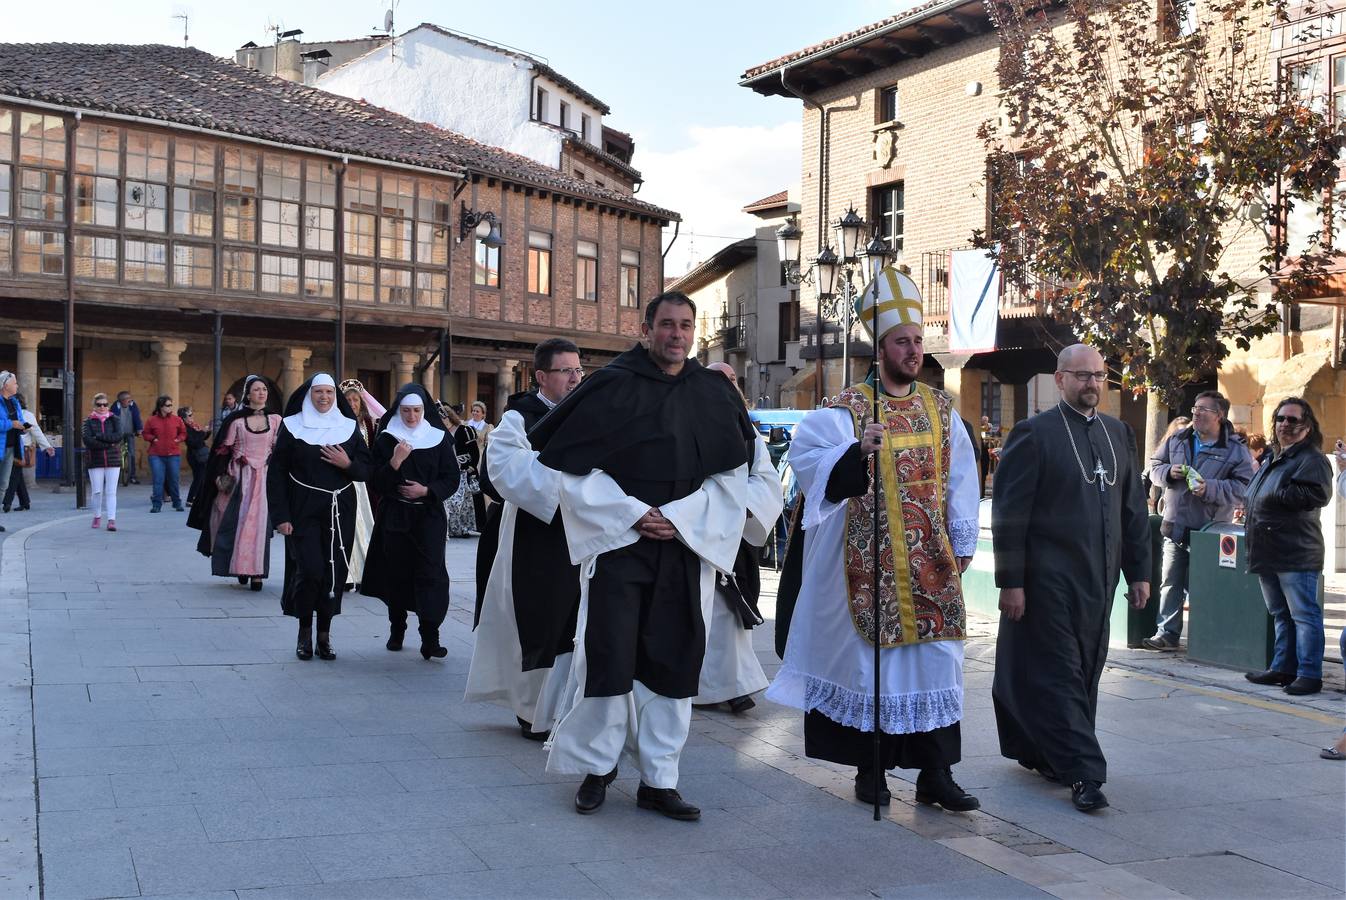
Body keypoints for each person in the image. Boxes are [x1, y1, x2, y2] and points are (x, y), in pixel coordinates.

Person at [529, 292, 754, 820]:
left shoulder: (712, 394)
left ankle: (660, 779)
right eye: (667, 325)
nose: (677, 334)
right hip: (621, 544)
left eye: (685, 326)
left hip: (682, 545)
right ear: (646, 327)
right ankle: (598, 768)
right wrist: (632, 512)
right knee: (609, 655)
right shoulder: (611, 385)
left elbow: (731, 476)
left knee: (674, 659)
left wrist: (678, 518)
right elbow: (574, 472)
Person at [769, 270, 981, 813]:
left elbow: (961, 480)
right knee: (871, 668)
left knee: (937, 664)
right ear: (880, 348)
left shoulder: (940, 409)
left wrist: (962, 546)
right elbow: (810, 465)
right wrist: (854, 454)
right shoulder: (846, 410)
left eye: (917, 342)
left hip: (930, 563)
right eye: (901, 342)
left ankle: (937, 774)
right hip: (865, 565)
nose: (913, 351)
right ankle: (872, 771)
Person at [991, 344, 1151, 813]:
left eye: (1099, 376)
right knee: (1060, 671)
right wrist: (1012, 581)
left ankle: (1049, 753)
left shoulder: (1118, 433)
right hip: (1047, 580)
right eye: (1082, 376)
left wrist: (1139, 572)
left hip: (1097, 579)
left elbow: (1133, 510)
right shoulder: (1033, 433)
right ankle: (1085, 772)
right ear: (1059, 379)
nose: (1092, 384)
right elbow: (1009, 514)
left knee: (1085, 669)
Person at [466, 337, 584, 740]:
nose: (574, 377)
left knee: (575, 621)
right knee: (537, 618)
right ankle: (534, 711)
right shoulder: (520, 418)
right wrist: (571, 485)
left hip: (583, 532)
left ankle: (568, 707)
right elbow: (504, 468)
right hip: (535, 531)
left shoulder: (589, 414)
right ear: (541, 376)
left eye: (578, 370)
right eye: (565, 370)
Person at [692, 363, 780, 715]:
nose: (726, 386)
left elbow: (765, 478)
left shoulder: (748, 431)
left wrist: (744, 507)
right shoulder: (689, 420)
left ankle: (734, 685)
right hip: (694, 531)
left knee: (731, 613)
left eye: (731, 380)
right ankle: (704, 686)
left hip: (734, 536)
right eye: (718, 380)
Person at [267, 375, 371, 661]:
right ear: (308, 395)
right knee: (309, 571)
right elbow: (276, 473)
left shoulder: (348, 428)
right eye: (318, 392)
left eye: (328, 392)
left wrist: (348, 464)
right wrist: (280, 515)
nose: (324, 397)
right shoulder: (292, 426)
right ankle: (304, 631)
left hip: (340, 509)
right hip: (303, 508)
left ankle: (324, 635)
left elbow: (367, 470)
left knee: (333, 573)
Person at [1142, 392, 1254, 651]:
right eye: (1195, 407)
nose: (1196, 413)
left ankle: (1207, 636)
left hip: (1210, 531)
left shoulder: (1235, 450)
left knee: (1204, 586)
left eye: (1204, 409)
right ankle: (1167, 635)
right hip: (1175, 525)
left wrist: (1210, 488)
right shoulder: (1177, 439)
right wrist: (1168, 472)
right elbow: (1154, 466)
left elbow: (1244, 488)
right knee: (1170, 582)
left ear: (1219, 415)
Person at [1242, 398, 1334, 696]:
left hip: (1295, 552)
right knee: (1281, 614)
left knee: (1304, 616)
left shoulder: (1312, 459)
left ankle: (1309, 674)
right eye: (1281, 418)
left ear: (1307, 426)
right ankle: (1283, 667)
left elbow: (1317, 494)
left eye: (1293, 420)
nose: (1285, 424)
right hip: (1268, 549)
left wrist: (1275, 496)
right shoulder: (1274, 457)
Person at [361, 384, 460, 659]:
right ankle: (397, 628)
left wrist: (427, 491)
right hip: (395, 515)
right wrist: (394, 462)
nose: (412, 416)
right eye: (406, 411)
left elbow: (451, 478)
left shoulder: (438, 438)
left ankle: (430, 637)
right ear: (399, 410)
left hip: (428, 517)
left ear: (425, 411)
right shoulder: (386, 438)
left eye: (417, 410)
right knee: (397, 573)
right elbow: (376, 482)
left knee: (431, 574)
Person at [200, 377, 282, 591]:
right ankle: (239, 567)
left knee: (259, 526)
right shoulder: (236, 421)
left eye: (264, 389)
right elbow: (222, 450)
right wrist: (219, 476)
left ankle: (256, 574)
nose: (262, 393)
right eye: (257, 390)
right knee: (238, 522)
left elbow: (280, 451)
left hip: (263, 479)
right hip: (240, 477)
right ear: (248, 394)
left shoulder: (275, 421)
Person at [340, 379, 382, 589]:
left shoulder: (368, 424)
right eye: (348, 399)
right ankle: (346, 573)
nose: (352, 403)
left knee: (365, 525)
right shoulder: (337, 423)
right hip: (344, 479)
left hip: (364, 483)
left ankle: (366, 570)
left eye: (355, 399)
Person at [4, 393, 53, 513]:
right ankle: (25, 502)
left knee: (13, 475)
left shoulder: (26, 415)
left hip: (21, 449)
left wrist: (47, 446)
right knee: (17, 475)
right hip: (10, 448)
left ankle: (7, 502)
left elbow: (36, 431)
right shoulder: (8, 415)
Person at [83, 392, 123, 531]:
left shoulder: (114, 419)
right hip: (95, 459)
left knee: (111, 491)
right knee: (97, 491)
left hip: (113, 459)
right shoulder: (88, 421)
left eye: (105, 404)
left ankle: (111, 519)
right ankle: (97, 515)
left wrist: (99, 436)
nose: (102, 407)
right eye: (99, 405)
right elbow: (88, 441)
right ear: (94, 406)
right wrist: (108, 444)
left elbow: (118, 436)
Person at [439, 404, 479, 538]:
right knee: (449, 501)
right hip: (447, 472)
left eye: (443, 418)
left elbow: (474, 451)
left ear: (449, 417)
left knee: (462, 502)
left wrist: (471, 467)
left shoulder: (464, 430)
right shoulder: (440, 433)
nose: (442, 421)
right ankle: (451, 529)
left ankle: (464, 528)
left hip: (463, 472)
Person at [142, 395, 187, 513]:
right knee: (158, 479)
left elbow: (183, 433)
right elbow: (145, 434)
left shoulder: (177, 419)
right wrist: (153, 439)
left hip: (173, 454)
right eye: (168, 405)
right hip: (156, 454)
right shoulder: (152, 420)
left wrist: (178, 439)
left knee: (174, 479)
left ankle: (177, 503)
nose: (170, 407)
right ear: (161, 407)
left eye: (171, 405)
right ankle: (156, 505)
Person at [0, 372, 30, 529]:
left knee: (3, 484)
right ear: (6, 385)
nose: (17, 385)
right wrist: (11, 424)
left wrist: (23, 427)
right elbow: (6, 423)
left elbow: (21, 420)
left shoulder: (14, 402)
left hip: (11, 448)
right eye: (15, 383)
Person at [110, 391, 143, 484]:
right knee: (115, 453)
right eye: (128, 400)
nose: (130, 401)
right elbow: (112, 419)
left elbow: (137, 417)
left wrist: (139, 429)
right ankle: (114, 476)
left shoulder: (133, 405)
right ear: (122, 401)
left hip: (130, 432)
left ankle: (132, 476)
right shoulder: (115, 407)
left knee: (132, 454)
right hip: (118, 433)